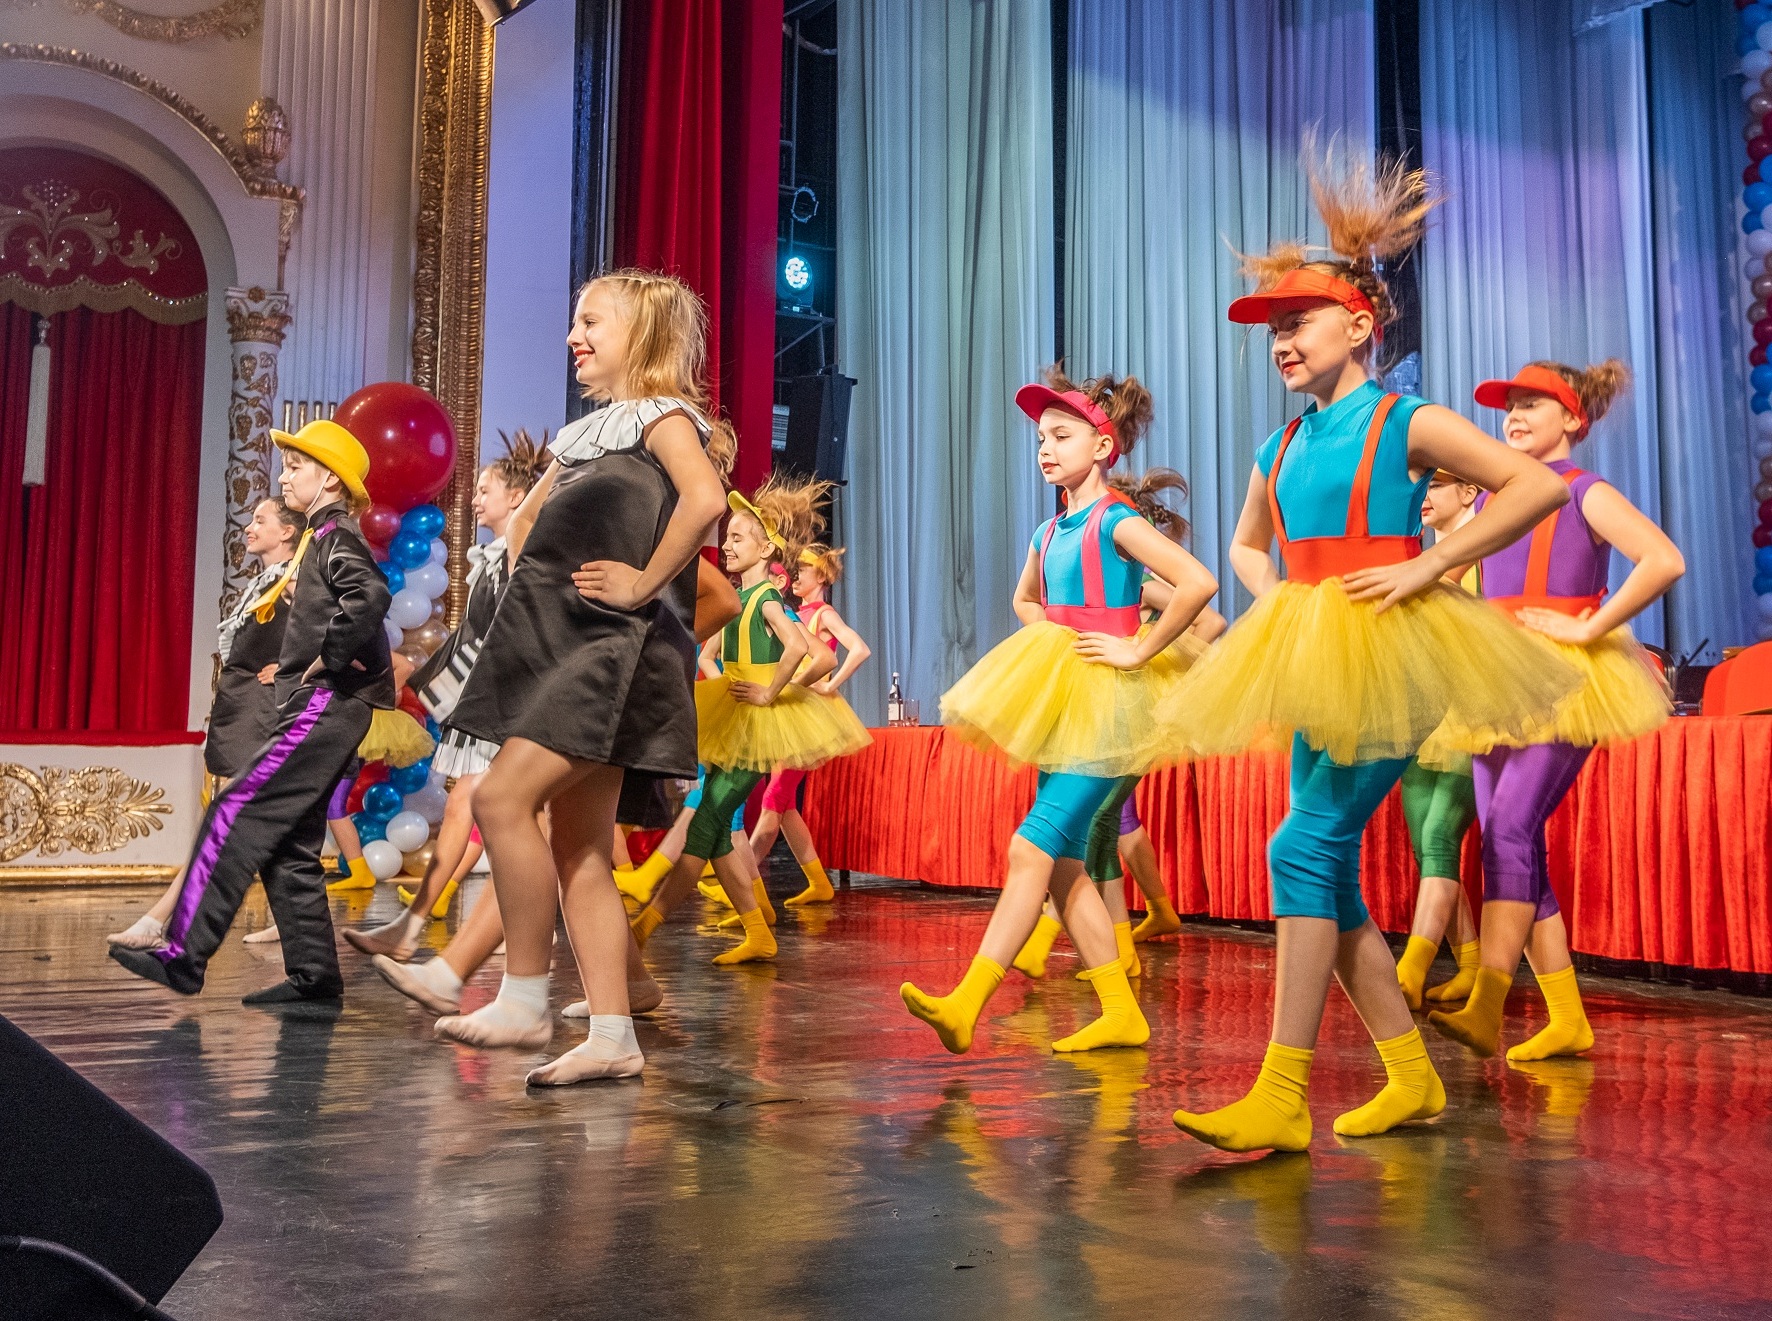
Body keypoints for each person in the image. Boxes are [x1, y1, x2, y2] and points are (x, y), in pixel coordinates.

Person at [1159, 148, 1581, 1152]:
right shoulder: (1277, 445)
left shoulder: (1406, 419)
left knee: (1298, 846)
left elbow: (1534, 488)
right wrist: (1282, 604)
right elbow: (1245, 546)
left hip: (1394, 653)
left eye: (1295, 321)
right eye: (1270, 329)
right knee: (1329, 869)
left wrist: (1430, 565)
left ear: (1357, 325)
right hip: (1316, 650)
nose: (1278, 341)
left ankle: (1279, 1093)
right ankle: (1410, 1075)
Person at [429, 269, 730, 1086]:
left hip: (610, 650)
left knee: (500, 798)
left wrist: (641, 582)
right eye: (574, 322)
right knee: (580, 848)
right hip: (563, 642)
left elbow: (704, 501)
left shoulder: (663, 418)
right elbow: (525, 526)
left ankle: (524, 995)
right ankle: (613, 1034)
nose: (574, 335)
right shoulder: (586, 435)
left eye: (592, 321)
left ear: (644, 334)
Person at [900, 366, 1218, 1055]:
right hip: (1066, 695)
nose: (1045, 447)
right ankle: (1121, 1012)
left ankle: (967, 1002)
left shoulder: (1117, 519)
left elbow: (1197, 583)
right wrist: (1054, 634)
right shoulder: (1047, 532)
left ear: (1102, 447)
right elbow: (1024, 599)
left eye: (1061, 435)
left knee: (1031, 847)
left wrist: (1137, 648)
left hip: (1110, 706)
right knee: (1068, 862)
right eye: (1041, 438)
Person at [1428, 361, 1680, 1062]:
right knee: (1509, 839)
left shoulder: (1583, 490)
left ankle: (1488, 1003)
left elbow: (1662, 560)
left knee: (1510, 827)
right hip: (1495, 678)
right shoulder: (1492, 500)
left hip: (1566, 677)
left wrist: (1589, 626)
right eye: (1509, 405)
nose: (1513, 415)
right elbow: (1450, 577)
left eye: (1531, 404)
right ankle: (1567, 1017)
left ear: (1573, 418)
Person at [110, 420, 394, 1004]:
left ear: (331, 481)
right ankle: (314, 977)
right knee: (289, 845)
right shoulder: (320, 538)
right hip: (324, 703)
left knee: (233, 808)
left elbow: (370, 596)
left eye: (296, 467)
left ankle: (184, 953)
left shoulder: (335, 536)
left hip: (328, 702)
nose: (284, 477)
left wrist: (328, 657)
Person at [627, 477, 867, 965]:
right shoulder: (738, 599)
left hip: (757, 724)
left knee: (705, 824)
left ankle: (645, 926)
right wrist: (735, 685)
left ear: (765, 549)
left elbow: (808, 651)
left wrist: (774, 692)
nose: (727, 546)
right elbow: (708, 653)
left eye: (737, 538)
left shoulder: (767, 600)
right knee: (716, 832)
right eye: (728, 537)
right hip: (736, 714)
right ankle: (758, 932)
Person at [1011, 469, 1227, 979]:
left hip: (1126, 698)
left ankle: (1086, 942)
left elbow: (1211, 620)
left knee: (1102, 818)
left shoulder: (1143, 581)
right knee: (1103, 822)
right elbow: (1028, 600)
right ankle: (1118, 946)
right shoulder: (1058, 543)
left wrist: (1145, 651)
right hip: (1095, 693)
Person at [340, 430, 546, 960]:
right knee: (466, 807)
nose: (474, 499)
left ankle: (527, 931)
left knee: (524, 822)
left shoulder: (523, 557)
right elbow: (476, 637)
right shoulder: (492, 561)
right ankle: (418, 923)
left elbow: (514, 635)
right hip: (494, 703)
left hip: (516, 706)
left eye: (484, 490)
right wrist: (424, 674)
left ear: (517, 498)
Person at [106, 498, 307, 950]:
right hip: (242, 707)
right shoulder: (267, 582)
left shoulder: (294, 581)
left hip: (262, 712)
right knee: (259, 823)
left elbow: (338, 631)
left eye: (261, 520)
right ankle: (294, 922)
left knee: (223, 818)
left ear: (287, 532)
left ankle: (160, 918)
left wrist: (294, 668)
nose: (250, 527)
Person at [1393, 471, 1484, 1009]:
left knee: (1439, 835)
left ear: (1469, 492)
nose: (1422, 496)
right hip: (1422, 715)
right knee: (1426, 846)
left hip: (1474, 714)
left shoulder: (1489, 551)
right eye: (1420, 485)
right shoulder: (1419, 558)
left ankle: (1411, 968)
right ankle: (1469, 963)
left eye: (1436, 485)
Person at [746, 543, 873, 907]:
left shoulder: (823, 614)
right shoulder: (796, 614)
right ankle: (818, 881)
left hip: (810, 715)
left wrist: (831, 685)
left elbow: (859, 649)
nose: (796, 574)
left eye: (803, 569)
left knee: (774, 798)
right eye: (795, 569)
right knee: (784, 804)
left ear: (821, 576)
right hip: (792, 712)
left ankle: (740, 880)